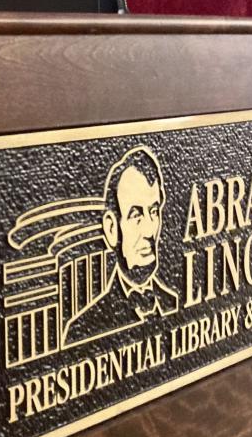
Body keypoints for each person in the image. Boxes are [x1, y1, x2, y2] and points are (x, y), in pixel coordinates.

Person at [61, 147, 179, 347]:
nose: (150, 230)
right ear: (111, 228)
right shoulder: (83, 329)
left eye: (154, 211)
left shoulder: (173, 302)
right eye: (136, 215)